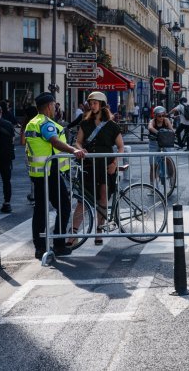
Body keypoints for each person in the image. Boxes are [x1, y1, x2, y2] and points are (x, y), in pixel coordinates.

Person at [25, 92, 86, 260]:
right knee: (64, 206)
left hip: (38, 172)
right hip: (49, 173)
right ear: (49, 106)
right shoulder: (45, 123)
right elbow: (54, 141)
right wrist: (74, 150)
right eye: (54, 105)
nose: (55, 108)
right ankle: (58, 244)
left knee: (40, 209)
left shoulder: (32, 122)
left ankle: (39, 247)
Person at [75, 91, 124, 245]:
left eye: (95, 102)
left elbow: (121, 147)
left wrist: (115, 163)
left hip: (106, 165)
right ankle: (73, 233)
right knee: (83, 199)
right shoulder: (85, 123)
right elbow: (78, 142)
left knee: (103, 196)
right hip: (89, 165)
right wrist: (79, 149)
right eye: (91, 103)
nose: (92, 105)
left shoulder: (112, 125)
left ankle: (99, 230)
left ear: (102, 105)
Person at [147, 105, 174, 186]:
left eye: (163, 115)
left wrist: (171, 133)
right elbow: (150, 127)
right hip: (154, 143)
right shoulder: (152, 121)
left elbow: (172, 130)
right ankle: (152, 186)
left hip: (165, 143)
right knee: (152, 165)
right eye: (159, 116)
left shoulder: (166, 120)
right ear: (155, 116)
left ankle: (172, 179)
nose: (161, 117)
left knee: (169, 161)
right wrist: (159, 133)